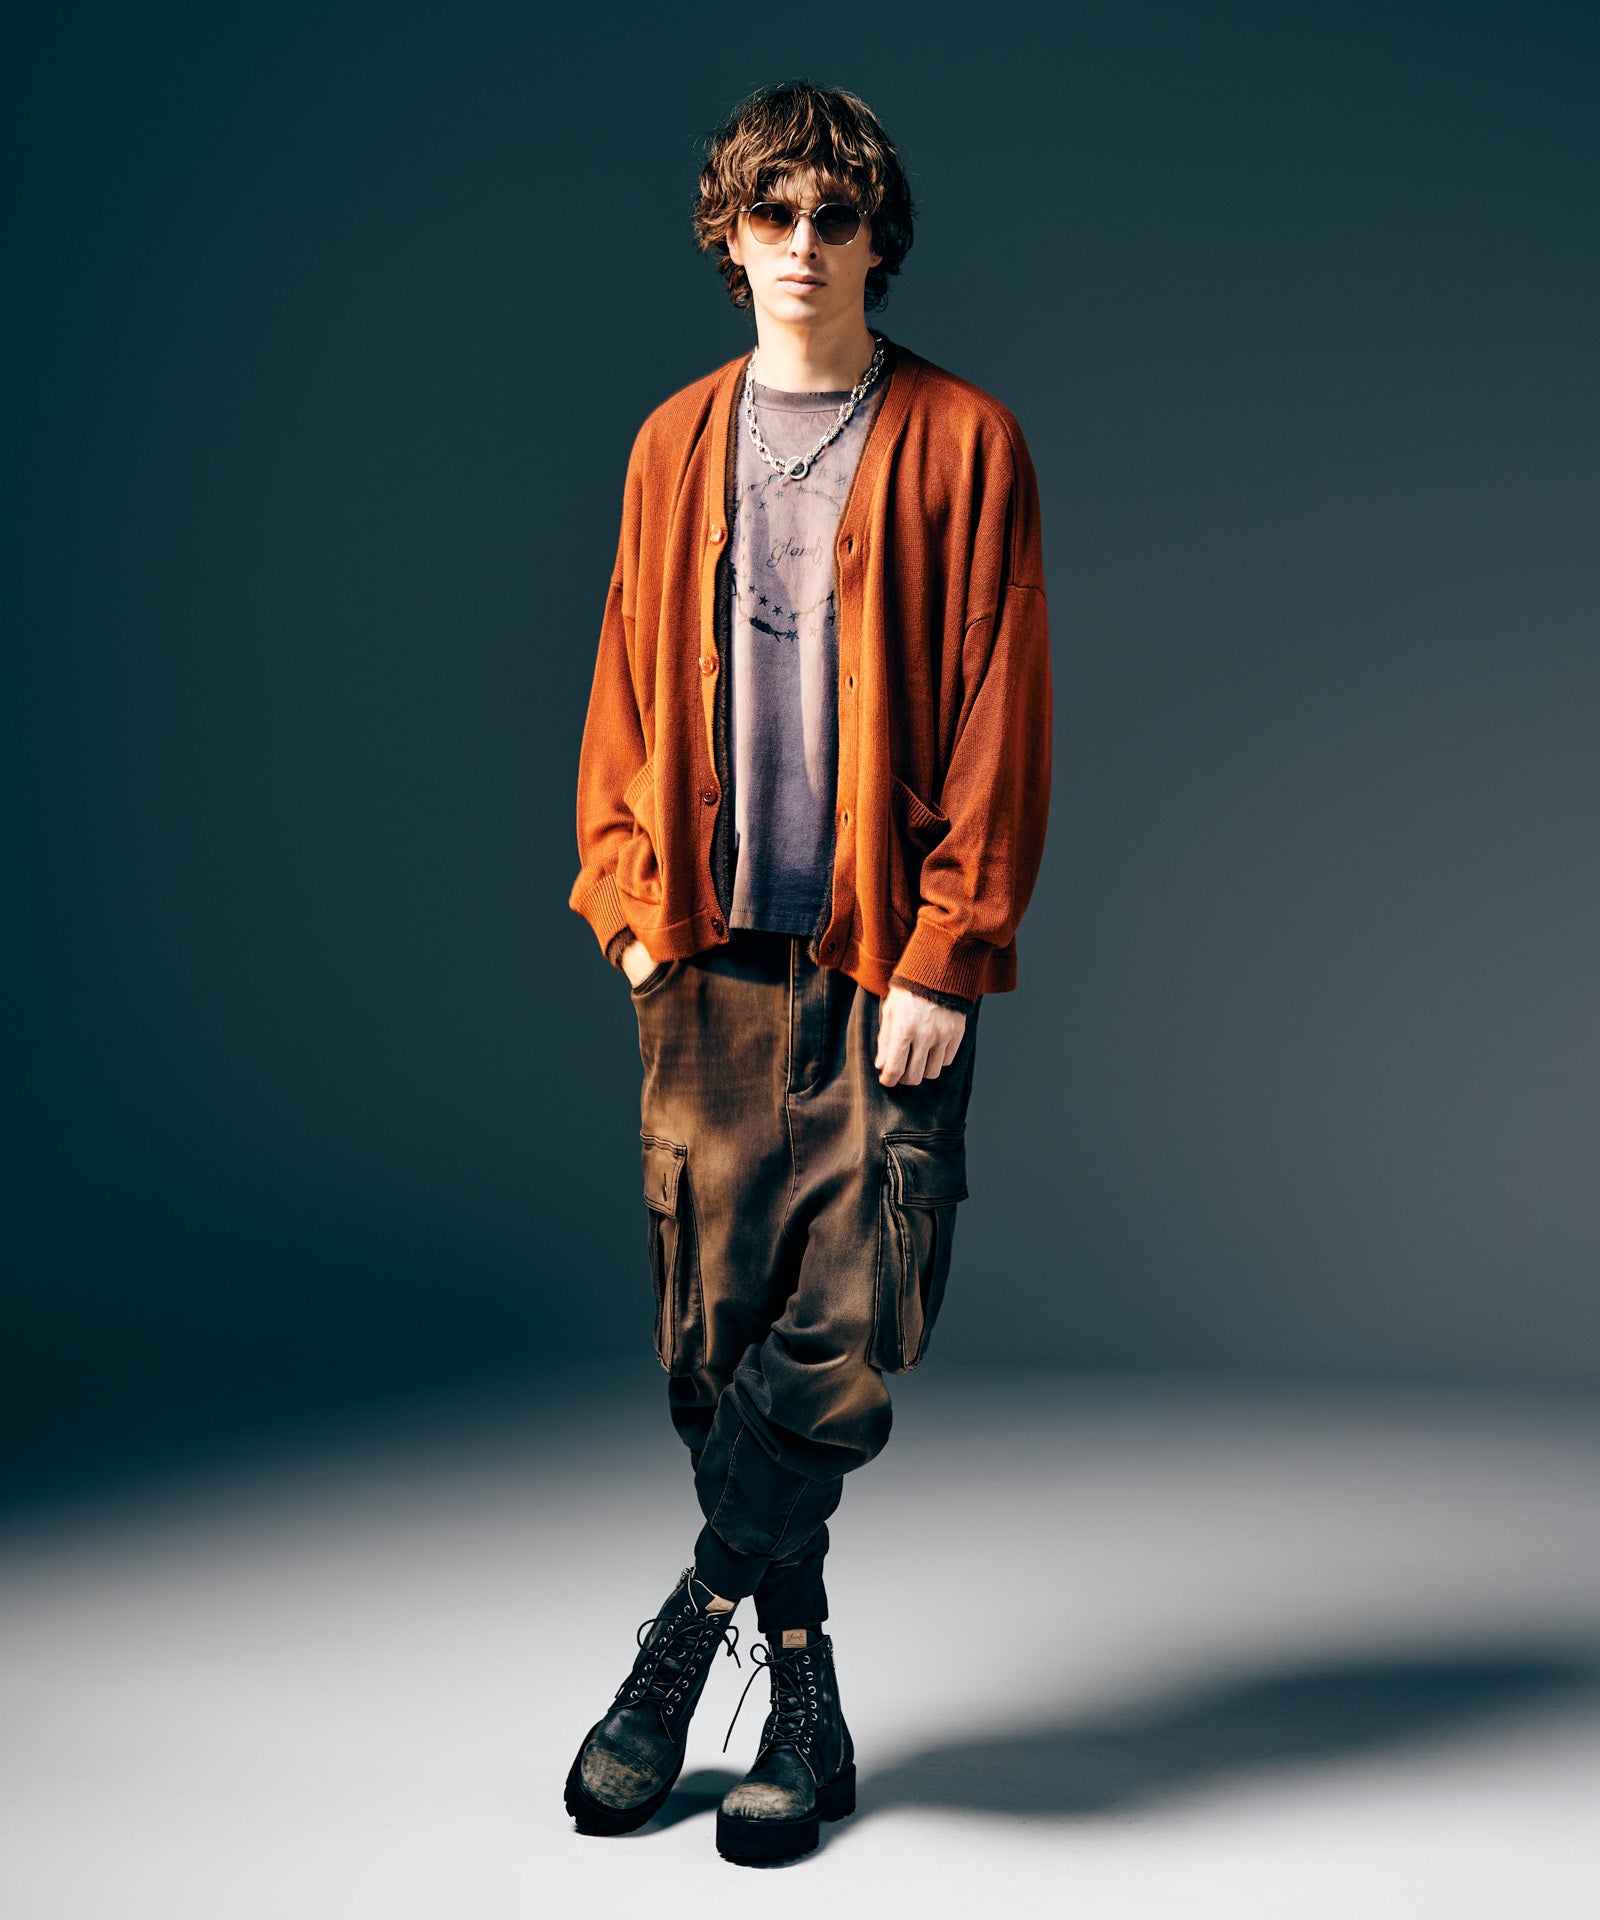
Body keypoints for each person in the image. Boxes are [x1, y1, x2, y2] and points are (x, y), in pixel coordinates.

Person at [563, 79, 1052, 1866]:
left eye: (833, 216)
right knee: (713, 1341)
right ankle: (803, 1698)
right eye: (771, 214)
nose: (801, 246)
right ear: (731, 233)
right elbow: (624, 683)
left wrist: (949, 953)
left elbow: (1001, 709)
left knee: (847, 1326)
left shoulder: (966, 442)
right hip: (703, 950)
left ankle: (686, 1633)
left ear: (875, 240)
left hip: (880, 965)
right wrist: (629, 913)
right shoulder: (670, 444)